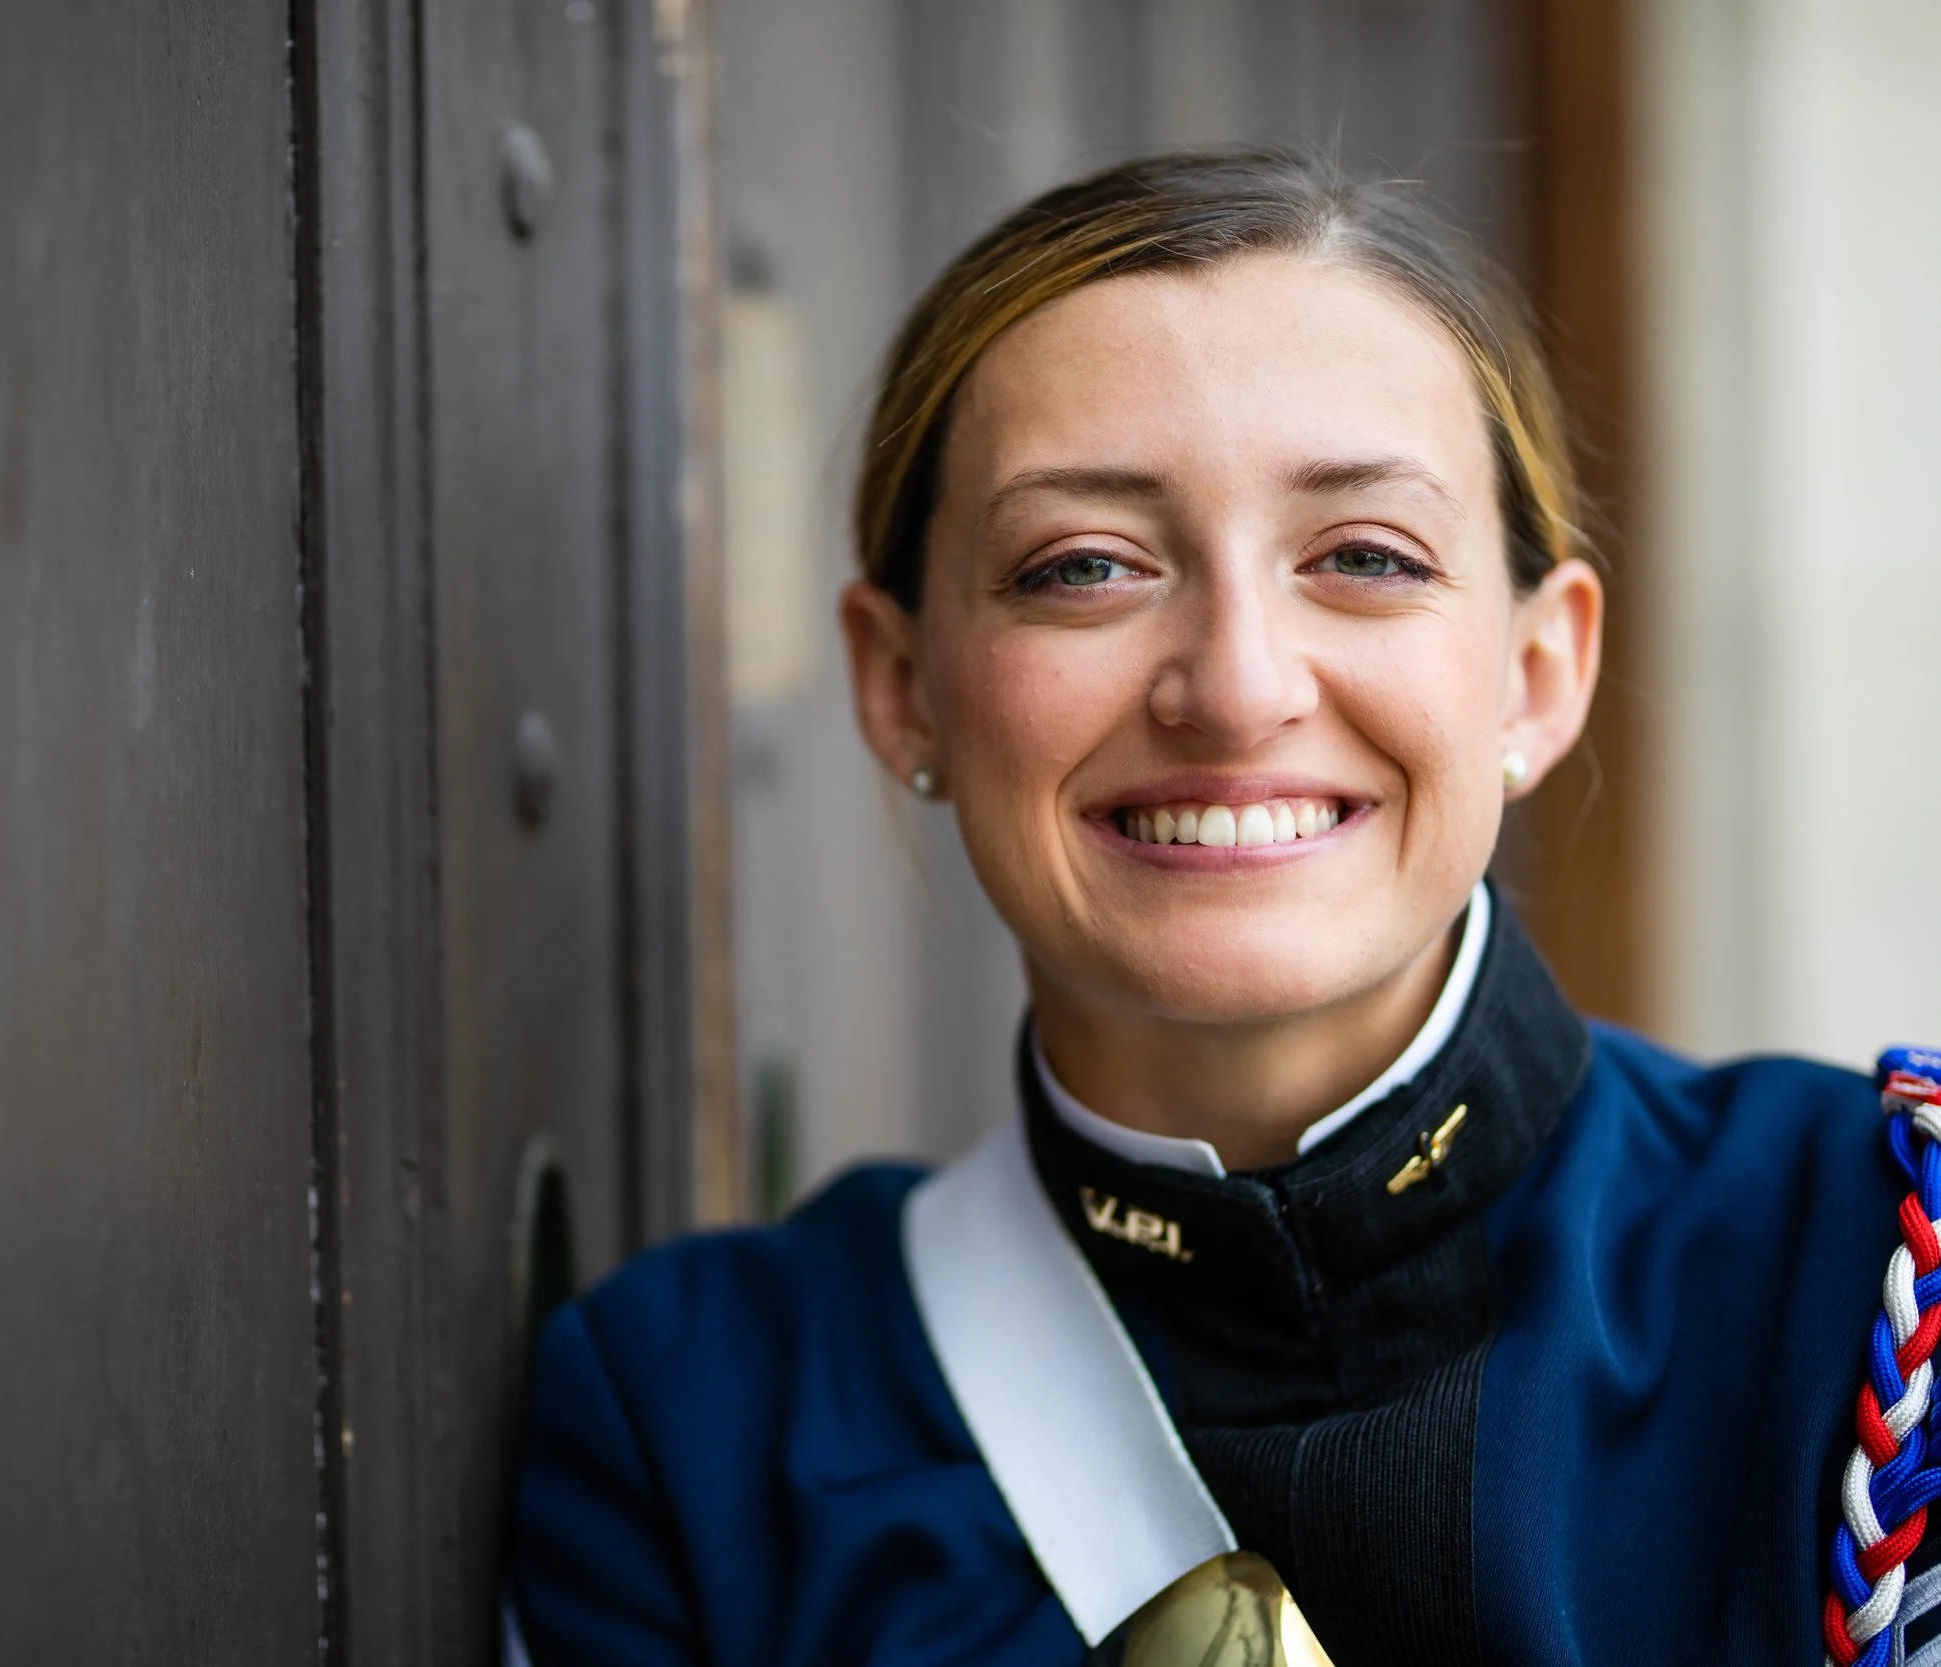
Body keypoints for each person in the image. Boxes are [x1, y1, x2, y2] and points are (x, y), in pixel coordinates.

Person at [502, 149, 1938, 1667]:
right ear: (900, 682)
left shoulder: (1872, 1278)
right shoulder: (698, 1429)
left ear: (1538, 671)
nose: (1240, 686)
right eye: (1086, 567)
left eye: (1367, 557)